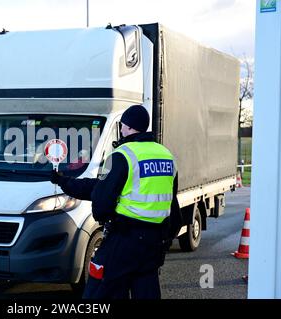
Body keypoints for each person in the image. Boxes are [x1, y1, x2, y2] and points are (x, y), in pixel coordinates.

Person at [50, 104, 182, 299]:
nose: (121, 129)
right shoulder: (166, 155)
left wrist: (106, 221)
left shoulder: (120, 155)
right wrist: (65, 182)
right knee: (147, 291)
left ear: (127, 127)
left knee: (99, 292)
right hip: (154, 242)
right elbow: (172, 202)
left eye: (123, 125)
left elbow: (102, 198)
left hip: (124, 239)